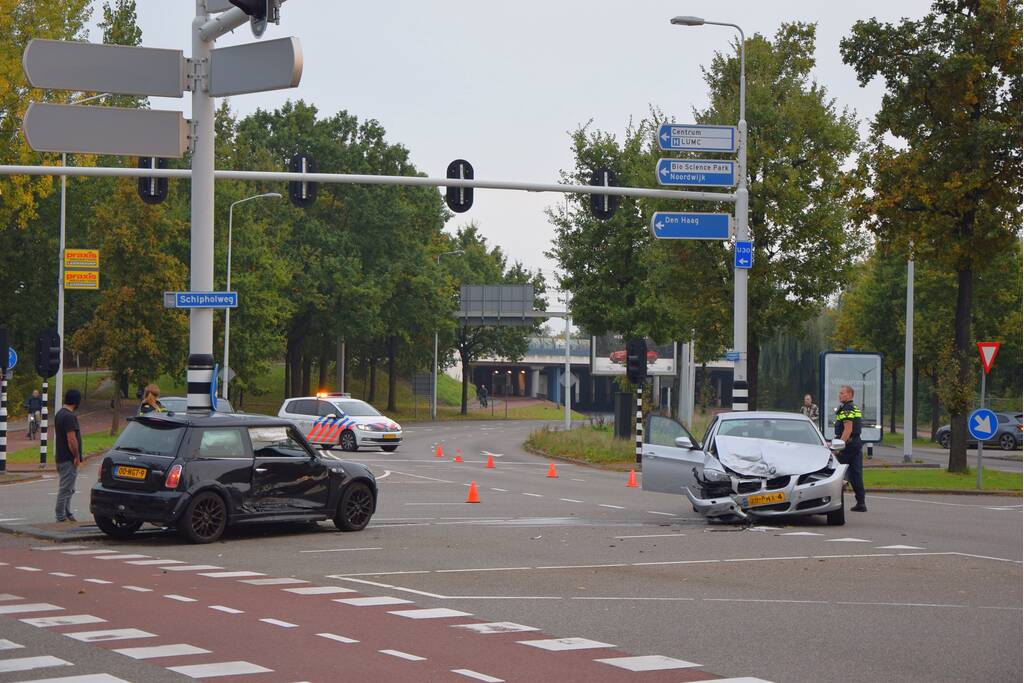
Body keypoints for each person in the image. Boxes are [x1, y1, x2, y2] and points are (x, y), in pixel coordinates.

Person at [833, 384, 866, 512]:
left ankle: (834, 500)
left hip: (848, 444)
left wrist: (838, 447)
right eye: (839, 393)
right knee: (856, 474)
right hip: (856, 443)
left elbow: (847, 430)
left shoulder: (847, 409)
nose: (840, 395)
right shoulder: (854, 408)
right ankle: (861, 503)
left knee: (835, 471)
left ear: (850, 395)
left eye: (842, 393)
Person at [54, 389, 82, 523]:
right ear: (76, 402)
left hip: (60, 456)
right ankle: (61, 516)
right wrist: (76, 456)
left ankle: (67, 512)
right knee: (66, 488)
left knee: (69, 487)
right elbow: (71, 439)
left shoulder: (59, 414)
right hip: (68, 458)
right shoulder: (70, 417)